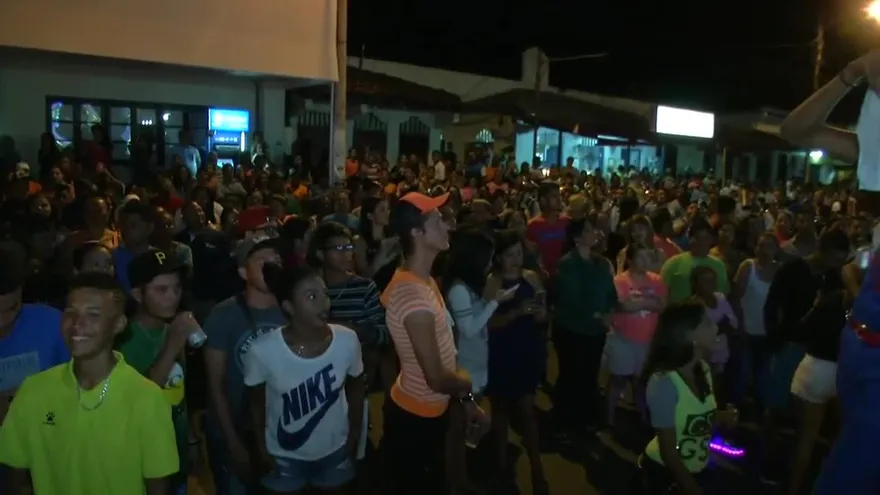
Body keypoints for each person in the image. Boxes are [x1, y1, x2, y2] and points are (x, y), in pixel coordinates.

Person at [0, 273, 179, 494]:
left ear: (119, 324)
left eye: (93, 315)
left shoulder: (146, 397)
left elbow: (158, 487)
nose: (77, 324)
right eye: (71, 313)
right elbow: (16, 481)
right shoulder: (34, 390)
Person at [380, 192, 488, 495]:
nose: (448, 224)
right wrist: (465, 383)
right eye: (438, 219)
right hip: (414, 419)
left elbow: (444, 356)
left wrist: (467, 404)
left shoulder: (424, 281)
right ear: (416, 232)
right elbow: (437, 377)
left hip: (429, 410)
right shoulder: (412, 296)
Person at [243, 264, 364, 494]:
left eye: (325, 294)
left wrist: (355, 432)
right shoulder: (262, 350)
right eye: (311, 296)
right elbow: (256, 404)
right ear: (289, 307)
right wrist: (261, 447)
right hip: (282, 456)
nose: (323, 303)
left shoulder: (347, 340)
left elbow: (357, 386)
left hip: (335, 450)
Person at [203, 236, 287, 495]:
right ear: (242, 271)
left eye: (277, 260)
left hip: (282, 429)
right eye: (263, 261)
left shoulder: (292, 308)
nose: (273, 267)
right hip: (238, 428)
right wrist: (232, 441)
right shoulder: (223, 315)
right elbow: (215, 384)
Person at [118, 249, 205, 495]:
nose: (173, 297)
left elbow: (178, 389)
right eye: (161, 290)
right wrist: (174, 345)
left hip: (174, 450)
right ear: (137, 294)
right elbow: (137, 402)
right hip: (143, 460)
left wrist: (190, 439)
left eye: (176, 288)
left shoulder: (170, 329)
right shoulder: (126, 341)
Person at [639, 301, 738, 494]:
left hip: (696, 468)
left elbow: (694, 418)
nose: (715, 327)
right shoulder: (663, 383)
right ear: (689, 334)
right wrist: (693, 489)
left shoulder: (703, 369)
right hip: (666, 474)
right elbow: (669, 452)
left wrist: (724, 417)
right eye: (707, 323)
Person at [553, 214, 617, 435]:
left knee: (590, 375)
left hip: (595, 330)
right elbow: (572, 298)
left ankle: (584, 419)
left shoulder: (600, 263)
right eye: (590, 230)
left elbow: (611, 292)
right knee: (572, 374)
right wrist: (598, 314)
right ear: (577, 238)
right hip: (573, 329)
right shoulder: (568, 264)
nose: (596, 233)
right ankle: (566, 422)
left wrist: (609, 310)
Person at [607, 242, 667, 429]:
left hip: (647, 340)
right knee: (618, 379)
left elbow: (662, 305)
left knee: (640, 381)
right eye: (641, 257)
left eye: (647, 257)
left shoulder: (657, 280)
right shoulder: (620, 281)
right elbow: (623, 306)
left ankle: (643, 416)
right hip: (622, 338)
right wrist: (649, 301)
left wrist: (638, 302)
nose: (645, 261)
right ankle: (609, 416)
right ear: (631, 259)